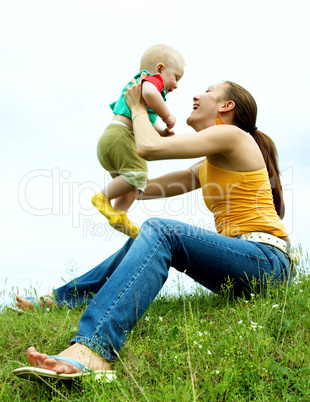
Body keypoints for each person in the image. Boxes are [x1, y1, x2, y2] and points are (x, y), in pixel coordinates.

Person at [14, 77, 296, 383]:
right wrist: (123, 172)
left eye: (209, 91)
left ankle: (93, 350)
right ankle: (62, 299)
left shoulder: (233, 136)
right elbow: (145, 188)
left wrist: (137, 108)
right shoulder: (209, 164)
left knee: (160, 230)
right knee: (146, 238)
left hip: (265, 261)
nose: (197, 95)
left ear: (226, 106)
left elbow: (149, 147)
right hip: (242, 267)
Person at [91, 44, 185, 238]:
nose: (176, 85)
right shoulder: (150, 79)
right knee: (138, 174)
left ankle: (118, 215)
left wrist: (161, 131)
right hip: (122, 136)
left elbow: (145, 119)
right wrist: (168, 117)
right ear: (159, 69)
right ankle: (101, 198)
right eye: (176, 77)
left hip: (111, 140)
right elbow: (150, 94)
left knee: (134, 185)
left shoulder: (139, 86)